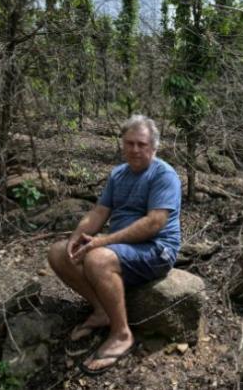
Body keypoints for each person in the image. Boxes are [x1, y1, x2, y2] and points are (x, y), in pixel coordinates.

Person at [48, 114, 181, 375]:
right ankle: (101, 310)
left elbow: (154, 223)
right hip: (122, 247)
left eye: (141, 144)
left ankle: (122, 334)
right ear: (122, 144)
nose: (135, 149)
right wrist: (77, 236)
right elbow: (99, 212)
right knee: (58, 253)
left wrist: (102, 242)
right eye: (129, 143)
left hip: (157, 249)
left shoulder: (164, 175)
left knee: (97, 258)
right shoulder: (118, 174)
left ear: (153, 147)